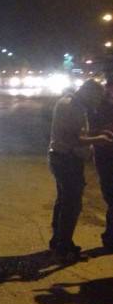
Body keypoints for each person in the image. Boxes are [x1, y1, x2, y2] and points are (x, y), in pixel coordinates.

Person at [48, 79, 112, 261]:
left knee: (63, 201)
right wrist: (99, 139)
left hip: (62, 158)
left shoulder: (71, 103)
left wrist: (100, 132)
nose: (99, 101)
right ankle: (63, 246)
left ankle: (58, 240)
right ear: (88, 92)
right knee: (71, 205)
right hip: (67, 159)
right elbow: (74, 138)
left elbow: (79, 132)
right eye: (98, 96)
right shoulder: (72, 107)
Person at [89, 77, 113, 251]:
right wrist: (102, 132)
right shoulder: (97, 107)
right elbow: (85, 131)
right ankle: (109, 238)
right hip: (105, 156)